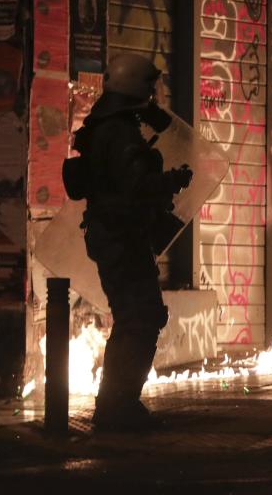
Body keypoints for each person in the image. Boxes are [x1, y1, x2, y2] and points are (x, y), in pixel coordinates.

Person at [64, 54, 193, 432]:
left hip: (116, 235)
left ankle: (117, 404)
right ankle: (117, 407)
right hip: (120, 236)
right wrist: (172, 181)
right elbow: (135, 185)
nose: (156, 95)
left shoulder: (106, 126)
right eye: (152, 88)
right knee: (140, 318)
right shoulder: (118, 132)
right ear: (139, 88)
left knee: (134, 317)